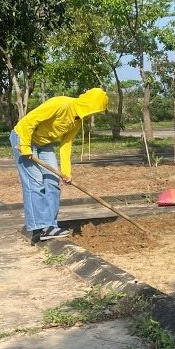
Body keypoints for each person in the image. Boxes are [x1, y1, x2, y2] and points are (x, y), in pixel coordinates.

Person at [10, 88, 109, 243]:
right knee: (35, 183)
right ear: (88, 105)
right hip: (23, 137)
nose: (92, 115)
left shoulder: (77, 120)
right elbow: (29, 121)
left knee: (53, 182)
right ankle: (39, 227)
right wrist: (26, 147)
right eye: (94, 110)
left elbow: (66, 145)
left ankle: (50, 226)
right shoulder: (61, 104)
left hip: (44, 144)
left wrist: (66, 172)